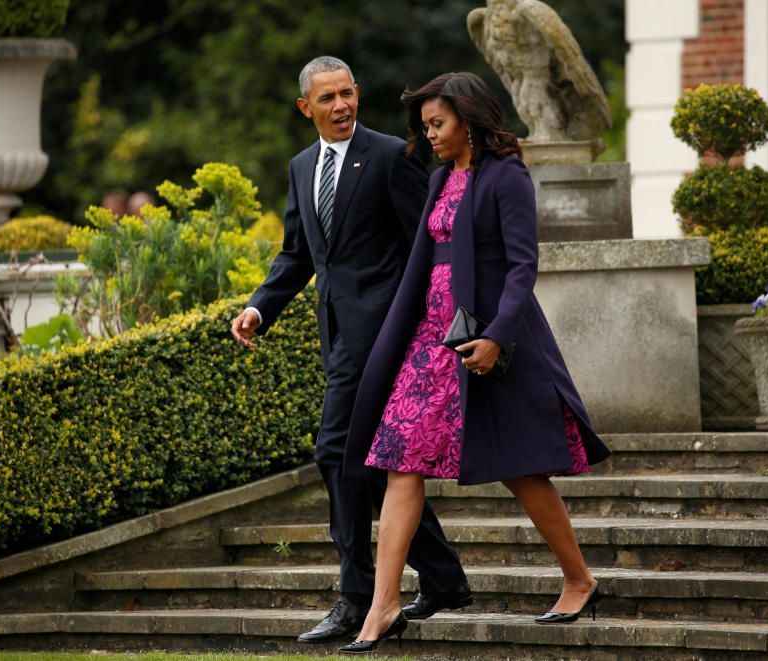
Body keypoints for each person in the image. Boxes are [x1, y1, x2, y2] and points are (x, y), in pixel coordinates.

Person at [337, 72, 612, 654]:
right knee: (400, 458)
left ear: (469, 119)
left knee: (521, 469)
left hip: (485, 344)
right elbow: (423, 264)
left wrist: (496, 338)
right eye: (425, 126)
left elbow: (522, 267)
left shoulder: (506, 176)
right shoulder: (439, 178)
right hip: (431, 341)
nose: (429, 135)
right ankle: (383, 605)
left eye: (437, 124)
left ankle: (579, 579)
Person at [230, 56, 471, 645]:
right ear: (304, 107)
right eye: (328, 98)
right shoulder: (301, 167)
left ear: (358, 94)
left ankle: (355, 595)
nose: (341, 106)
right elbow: (298, 256)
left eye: (348, 93)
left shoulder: (392, 155)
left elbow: (429, 240)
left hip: (390, 336)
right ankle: (442, 577)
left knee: (336, 451)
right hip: (338, 337)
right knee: (369, 459)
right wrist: (260, 307)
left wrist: (435, 324)